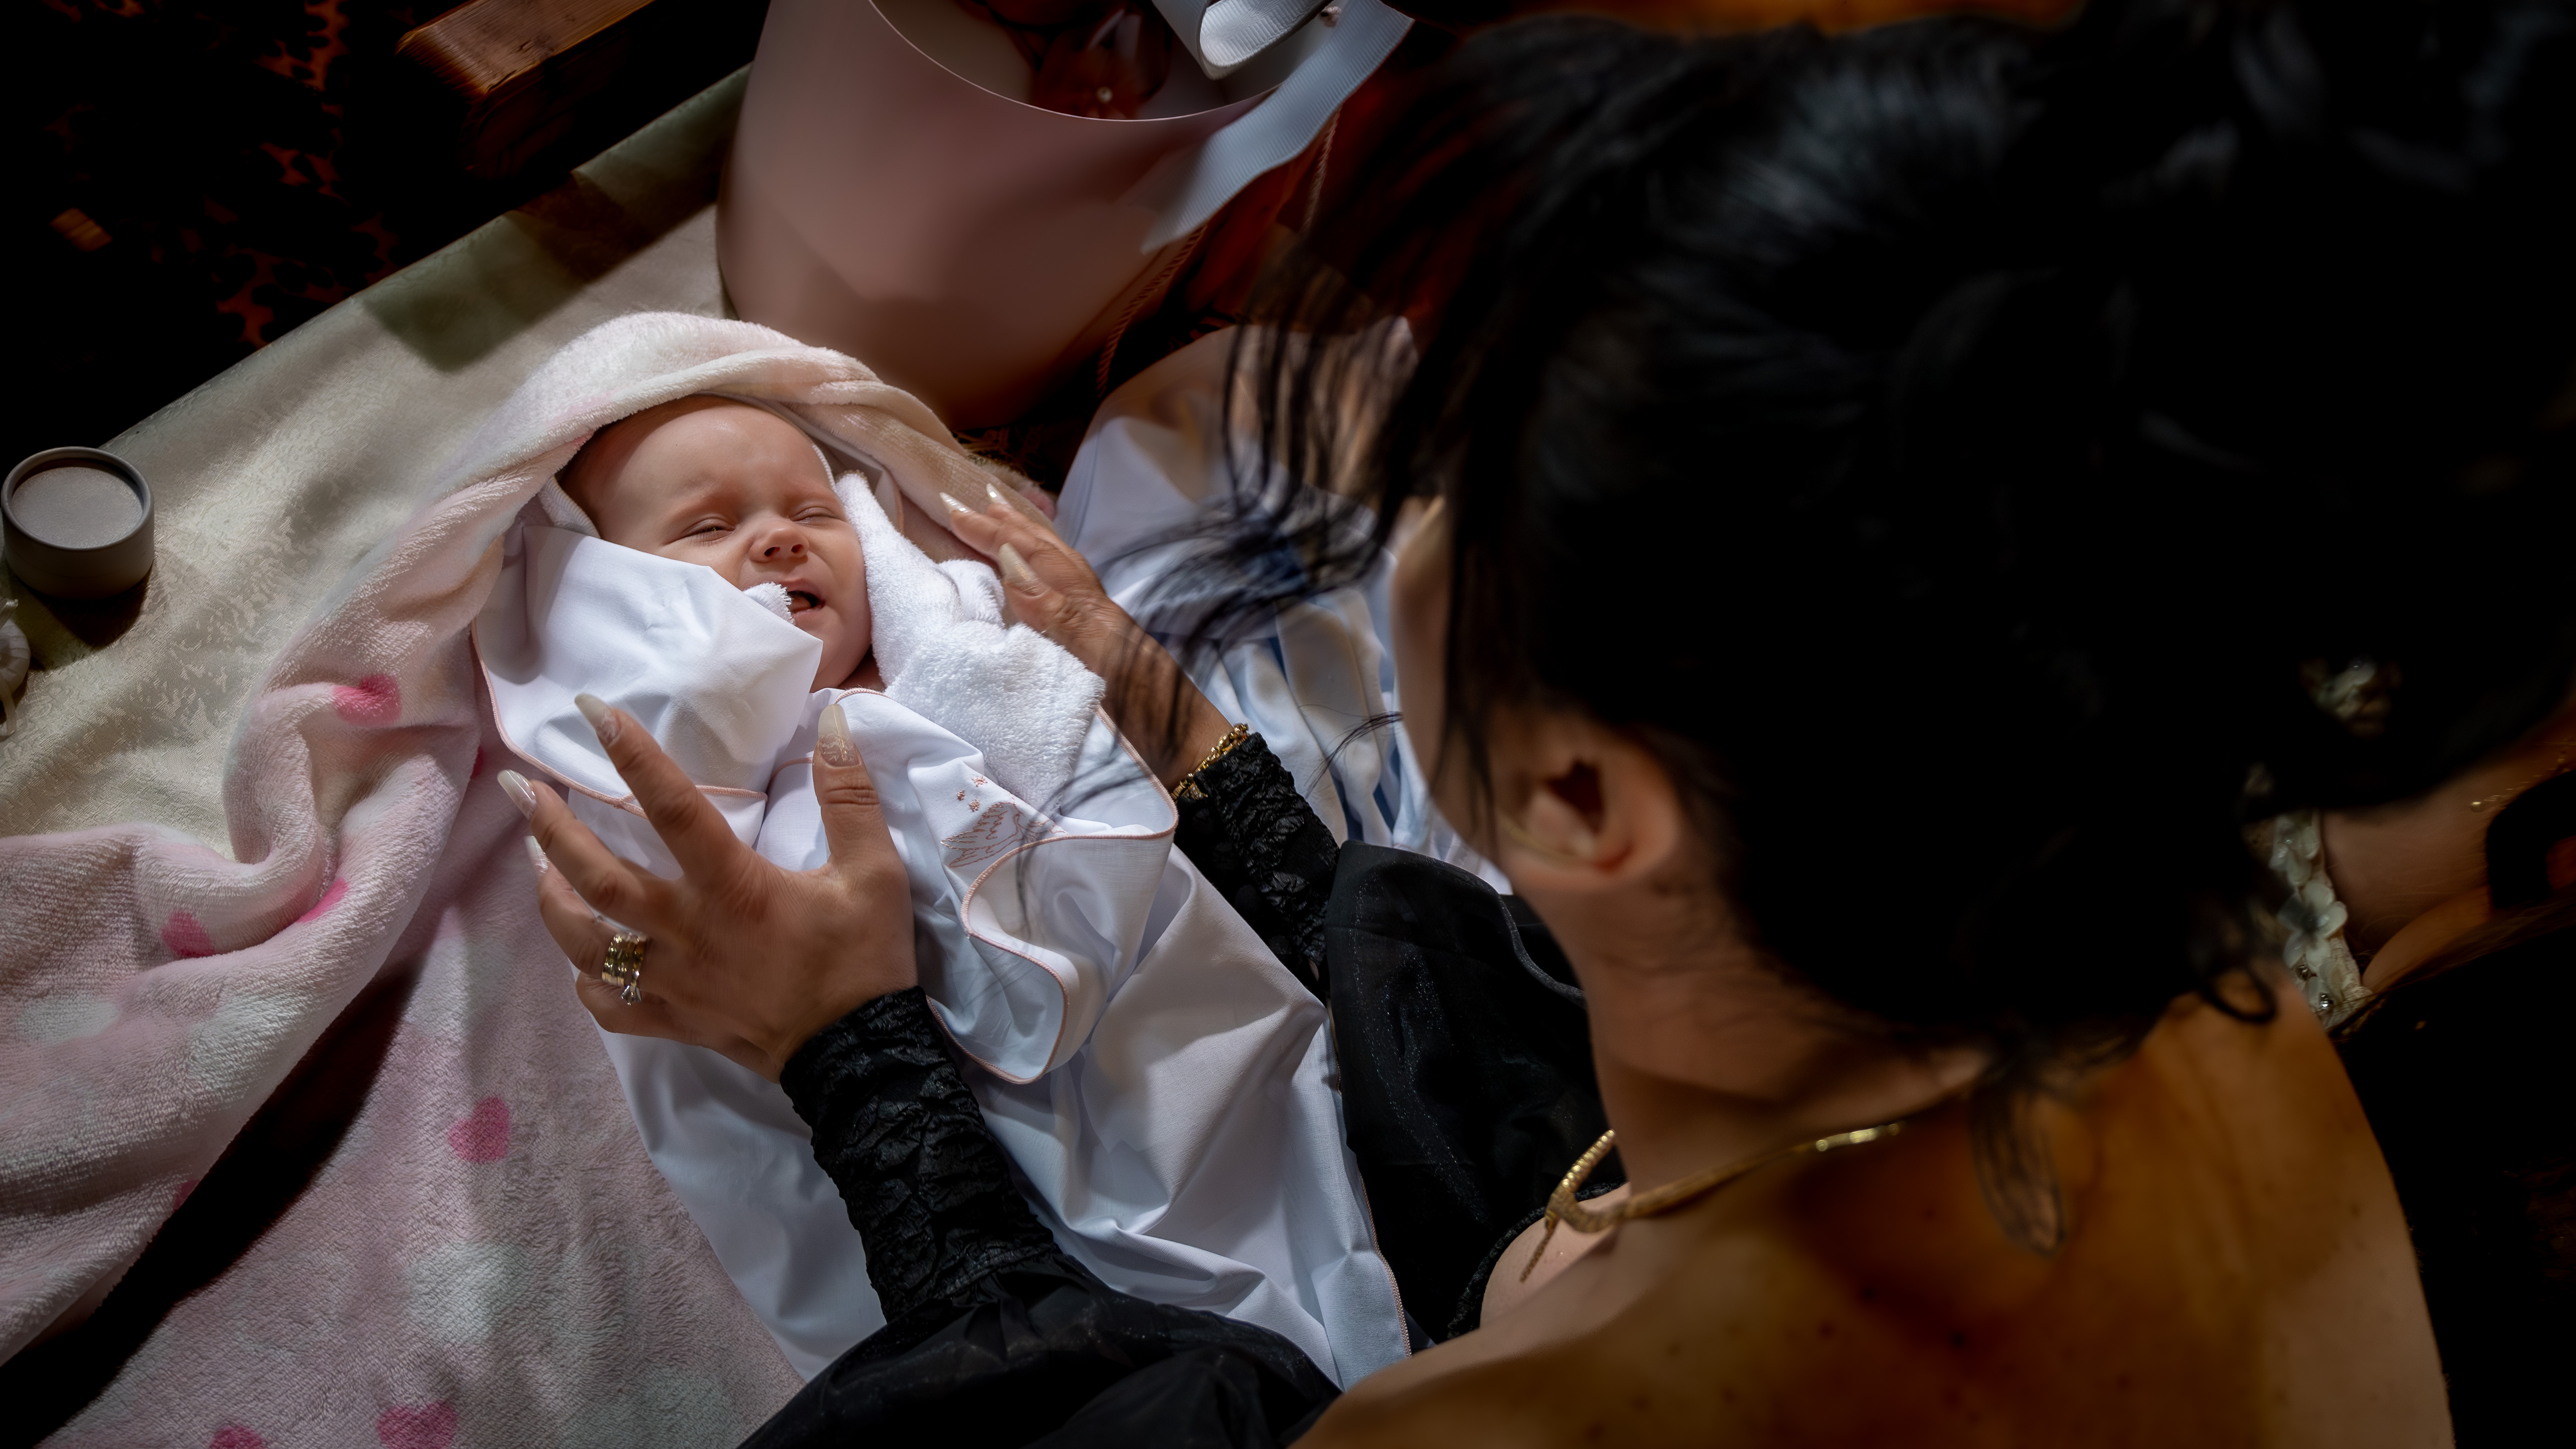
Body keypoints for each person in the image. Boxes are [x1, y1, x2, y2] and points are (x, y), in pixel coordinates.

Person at [516, 0, 2576, 1441]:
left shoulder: (1531, 1415)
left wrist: (849, 1050)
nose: (1404, 504)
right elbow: (1494, 1068)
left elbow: (1078, 1402)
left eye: (1452, 489)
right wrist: (1173, 725)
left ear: (1577, 801)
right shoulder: (2186, 999)